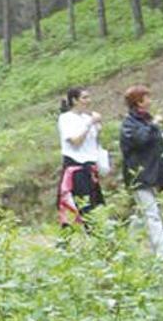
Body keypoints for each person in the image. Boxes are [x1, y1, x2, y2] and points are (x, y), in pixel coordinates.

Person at [119, 85, 163, 258]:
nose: (150, 100)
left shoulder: (146, 121)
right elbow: (140, 139)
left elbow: (154, 144)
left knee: (143, 215)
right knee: (152, 215)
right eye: (147, 97)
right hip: (139, 176)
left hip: (152, 173)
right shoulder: (129, 123)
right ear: (138, 102)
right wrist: (154, 125)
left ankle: (126, 248)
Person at [56, 87, 106, 227]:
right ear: (74, 100)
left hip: (90, 167)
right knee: (81, 207)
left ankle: (100, 239)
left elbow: (94, 144)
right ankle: (69, 241)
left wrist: (96, 126)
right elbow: (76, 142)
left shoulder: (87, 118)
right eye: (84, 98)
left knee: (97, 205)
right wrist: (89, 124)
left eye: (88, 97)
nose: (88, 101)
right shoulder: (66, 118)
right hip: (75, 168)